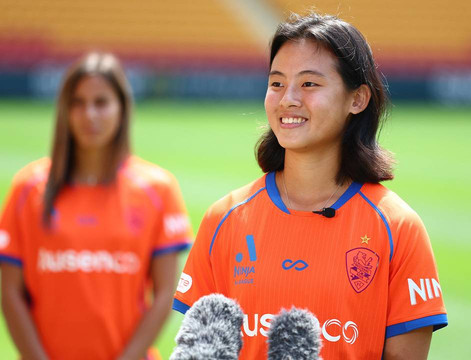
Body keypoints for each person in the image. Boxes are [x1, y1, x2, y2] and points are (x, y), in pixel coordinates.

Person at [173, 13, 447, 359]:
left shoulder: (397, 227)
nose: (288, 99)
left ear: (357, 99)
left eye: (309, 84)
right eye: (276, 83)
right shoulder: (225, 218)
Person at [0, 52, 193, 360]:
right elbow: (10, 293)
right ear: (65, 110)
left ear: (122, 108)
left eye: (101, 102)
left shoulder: (158, 189)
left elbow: (164, 295)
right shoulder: (28, 187)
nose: (89, 114)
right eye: (78, 103)